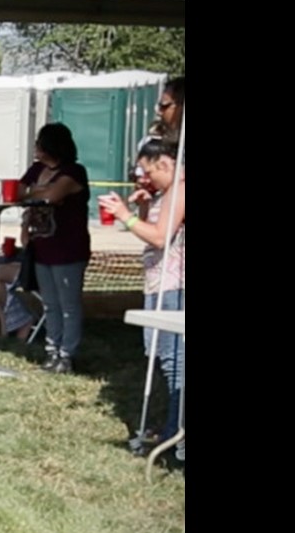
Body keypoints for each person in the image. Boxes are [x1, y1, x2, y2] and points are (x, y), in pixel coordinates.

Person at [99, 135, 184, 453]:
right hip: (159, 281)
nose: (144, 178)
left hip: (174, 286)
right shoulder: (167, 192)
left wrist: (125, 215)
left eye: (148, 171)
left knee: (174, 360)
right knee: (160, 356)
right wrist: (145, 207)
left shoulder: (180, 189)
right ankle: (171, 427)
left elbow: (161, 238)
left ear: (165, 164)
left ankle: (176, 438)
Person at [14, 123, 92, 373]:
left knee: (68, 303)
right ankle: (51, 350)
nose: (36, 147)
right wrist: (35, 191)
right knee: (49, 303)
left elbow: (54, 196)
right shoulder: (36, 169)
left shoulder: (74, 171)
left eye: (40, 142)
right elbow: (17, 191)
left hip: (68, 248)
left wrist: (34, 191)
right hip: (42, 246)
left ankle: (67, 354)